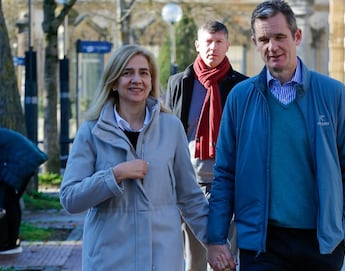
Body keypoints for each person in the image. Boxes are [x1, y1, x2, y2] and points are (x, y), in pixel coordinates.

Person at [206, 1, 345, 270]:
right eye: (264, 39)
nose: (273, 46)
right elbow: (225, 173)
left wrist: (343, 233)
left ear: (297, 36)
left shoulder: (333, 94)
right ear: (255, 42)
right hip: (261, 244)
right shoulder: (240, 98)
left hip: (321, 244)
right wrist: (216, 238)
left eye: (280, 36)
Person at [59, 44, 208, 271]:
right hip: (109, 259)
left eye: (144, 73)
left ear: (151, 81)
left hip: (162, 259)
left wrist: (216, 244)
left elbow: (190, 197)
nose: (137, 79)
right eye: (127, 73)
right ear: (114, 82)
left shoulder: (171, 127)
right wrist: (114, 175)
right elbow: (70, 198)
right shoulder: (91, 130)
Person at [165, 20, 247, 271]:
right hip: (188, 184)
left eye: (219, 41)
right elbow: (168, 130)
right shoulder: (180, 83)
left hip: (227, 184)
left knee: (226, 262)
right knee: (194, 261)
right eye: (208, 42)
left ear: (228, 45)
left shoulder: (243, 86)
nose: (213, 47)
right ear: (198, 45)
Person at [0, 128, 47, 254]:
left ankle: (8, 244)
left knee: (7, 202)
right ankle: (11, 241)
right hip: (26, 159)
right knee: (11, 201)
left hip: (22, 161)